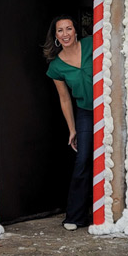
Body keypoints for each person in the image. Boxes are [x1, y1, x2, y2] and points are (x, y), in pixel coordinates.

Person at [43, 14, 93, 231]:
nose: (65, 34)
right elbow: (65, 99)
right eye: (60, 31)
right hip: (86, 111)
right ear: (55, 36)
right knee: (82, 159)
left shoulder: (93, 43)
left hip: (110, 107)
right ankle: (76, 216)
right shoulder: (56, 67)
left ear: (76, 31)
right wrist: (72, 129)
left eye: (69, 29)